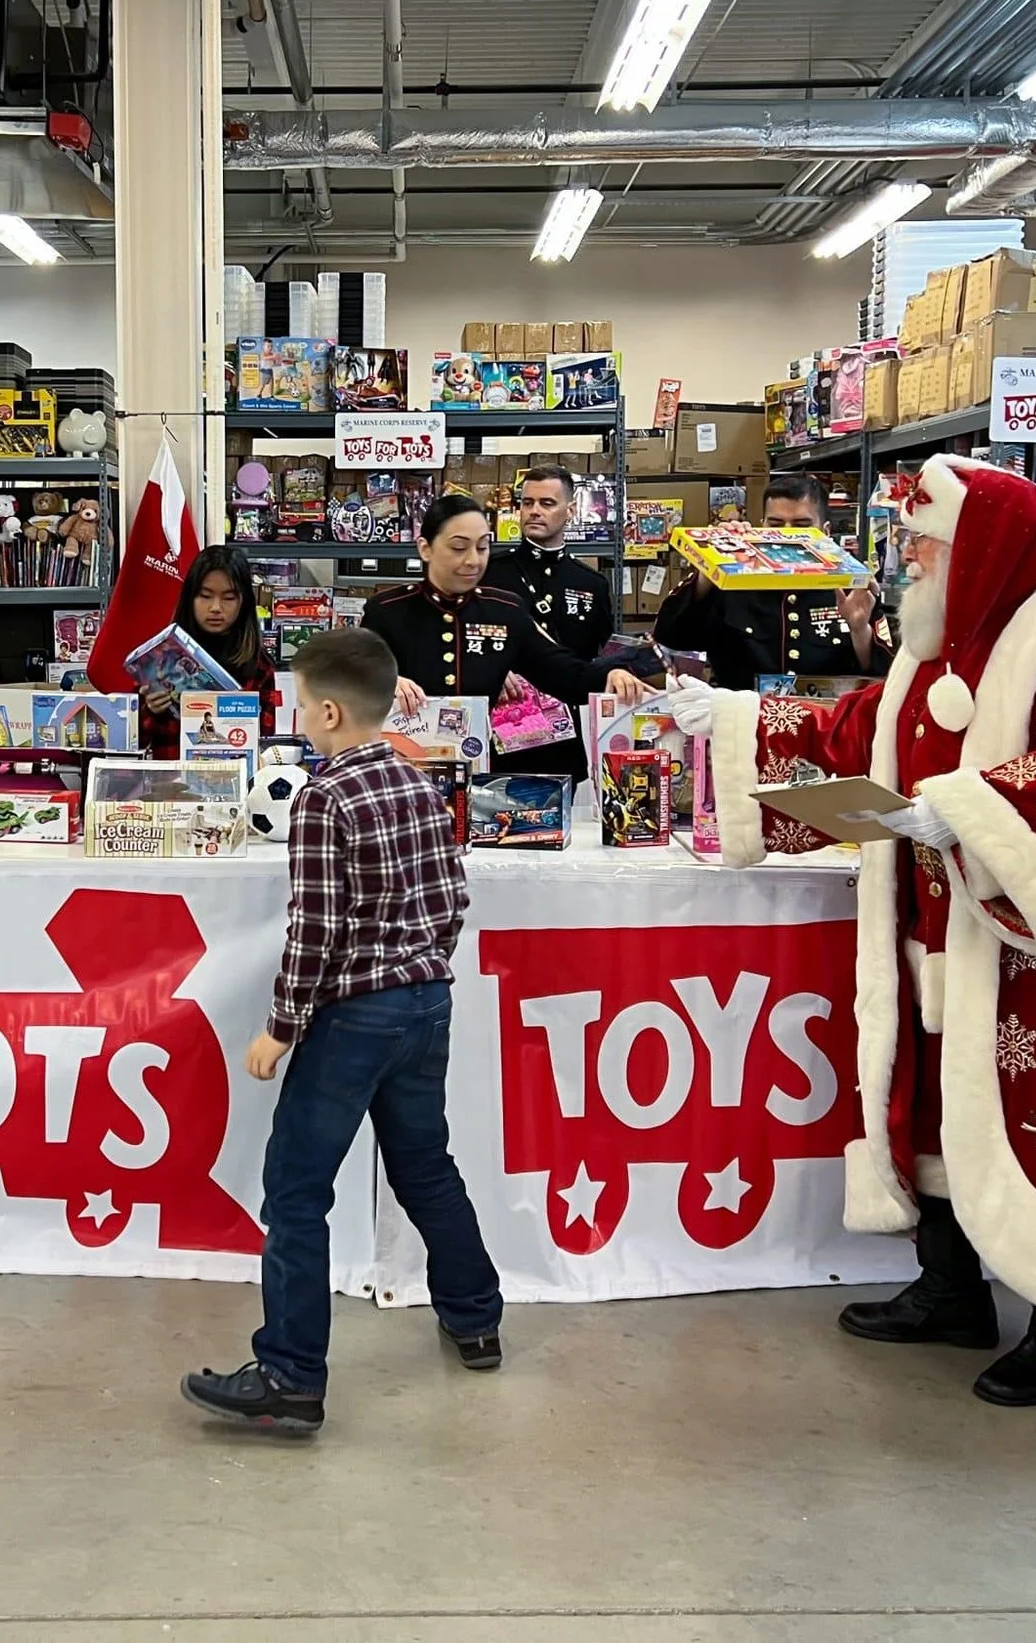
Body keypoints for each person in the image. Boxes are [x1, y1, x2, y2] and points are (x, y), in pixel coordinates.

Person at [671, 455, 1036, 1408]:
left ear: (982, 549)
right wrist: (735, 718)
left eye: (926, 545)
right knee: (930, 1097)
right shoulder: (936, 639)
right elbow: (865, 736)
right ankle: (951, 1286)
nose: (909, 563)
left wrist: (973, 815)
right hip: (931, 921)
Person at [180, 628, 502, 1436]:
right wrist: (418, 963)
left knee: (294, 1189)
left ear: (326, 711)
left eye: (296, 702)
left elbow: (315, 929)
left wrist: (280, 1029)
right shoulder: (417, 780)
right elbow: (453, 899)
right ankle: (475, 1316)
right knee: (425, 1166)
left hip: (354, 1016)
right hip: (427, 1002)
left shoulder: (325, 797)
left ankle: (290, 1371)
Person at [366, 494, 658, 727]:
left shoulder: (504, 610)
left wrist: (610, 676)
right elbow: (341, 680)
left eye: (482, 548)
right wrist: (384, 681)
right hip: (401, 772)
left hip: (478, 768)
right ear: (425, 548)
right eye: (458, 548)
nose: (473, 561)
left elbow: (564, 672)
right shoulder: (387, 611)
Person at [651, 474, 887, 685]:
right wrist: (711, 565)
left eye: (801, 526)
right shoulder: (731, 583)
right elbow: (670, 637)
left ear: (825, 532)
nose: (785, 534)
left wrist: (859, 629)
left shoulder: (851, 587)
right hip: (742, 723)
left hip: (825, 724)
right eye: (775, 524)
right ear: (761, 525)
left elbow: (882, 672)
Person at [487, 465, 617, 778]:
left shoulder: (591, 583)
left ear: (570, 510)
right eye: (527, 503)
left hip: (563, 738)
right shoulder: (490, 573)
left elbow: (602, 655)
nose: (534, 511)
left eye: (547, 503)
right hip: (501, 730)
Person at [140, 544, 278, 757]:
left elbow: (264, 745)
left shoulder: (259, 666)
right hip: (169, 783)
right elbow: (131, 745)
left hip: (235, 782)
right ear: (190, 598)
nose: (216, 607)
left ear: (244, 602)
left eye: (229, 598)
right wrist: (150, 710)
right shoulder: (160, 658)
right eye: (205, 596)